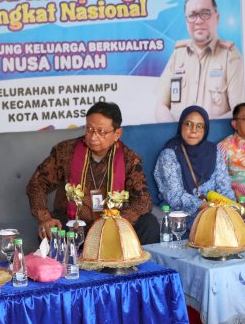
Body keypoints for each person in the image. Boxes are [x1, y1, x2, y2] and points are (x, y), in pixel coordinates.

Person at [26, 101, 159, 244]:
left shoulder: (129, 159)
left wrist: (117, 223)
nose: (93, 137)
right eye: (89, 129)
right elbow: (37, 183)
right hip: (73, 224)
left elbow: (143, 201)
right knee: (51, 232)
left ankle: (129, 258)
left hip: (113, 227)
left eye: (101, 132)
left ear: (117, 133)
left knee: (149, 223)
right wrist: (45, 218)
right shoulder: (65, 151)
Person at [155, 0, 244, 122]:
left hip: (214, 135)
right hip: (177, 134)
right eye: (192, 15)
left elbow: (239, 111)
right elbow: (161, 106)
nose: (198, 21)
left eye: (205, 13)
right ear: (186, 20)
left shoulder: (230, 55)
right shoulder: (178, 54)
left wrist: (201, 130)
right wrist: (173, 132)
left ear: (217, 18)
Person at [154, 105, 234, 216]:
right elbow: (175, 196)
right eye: (188, 124)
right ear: (181, 126)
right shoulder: (169, 154)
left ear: (205, 130)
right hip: (180, 215)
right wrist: (207, 206)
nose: (193, 130)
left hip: (213, 212)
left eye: (199, 126)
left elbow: (224, 188)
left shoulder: (213, 151)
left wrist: (232, 209)